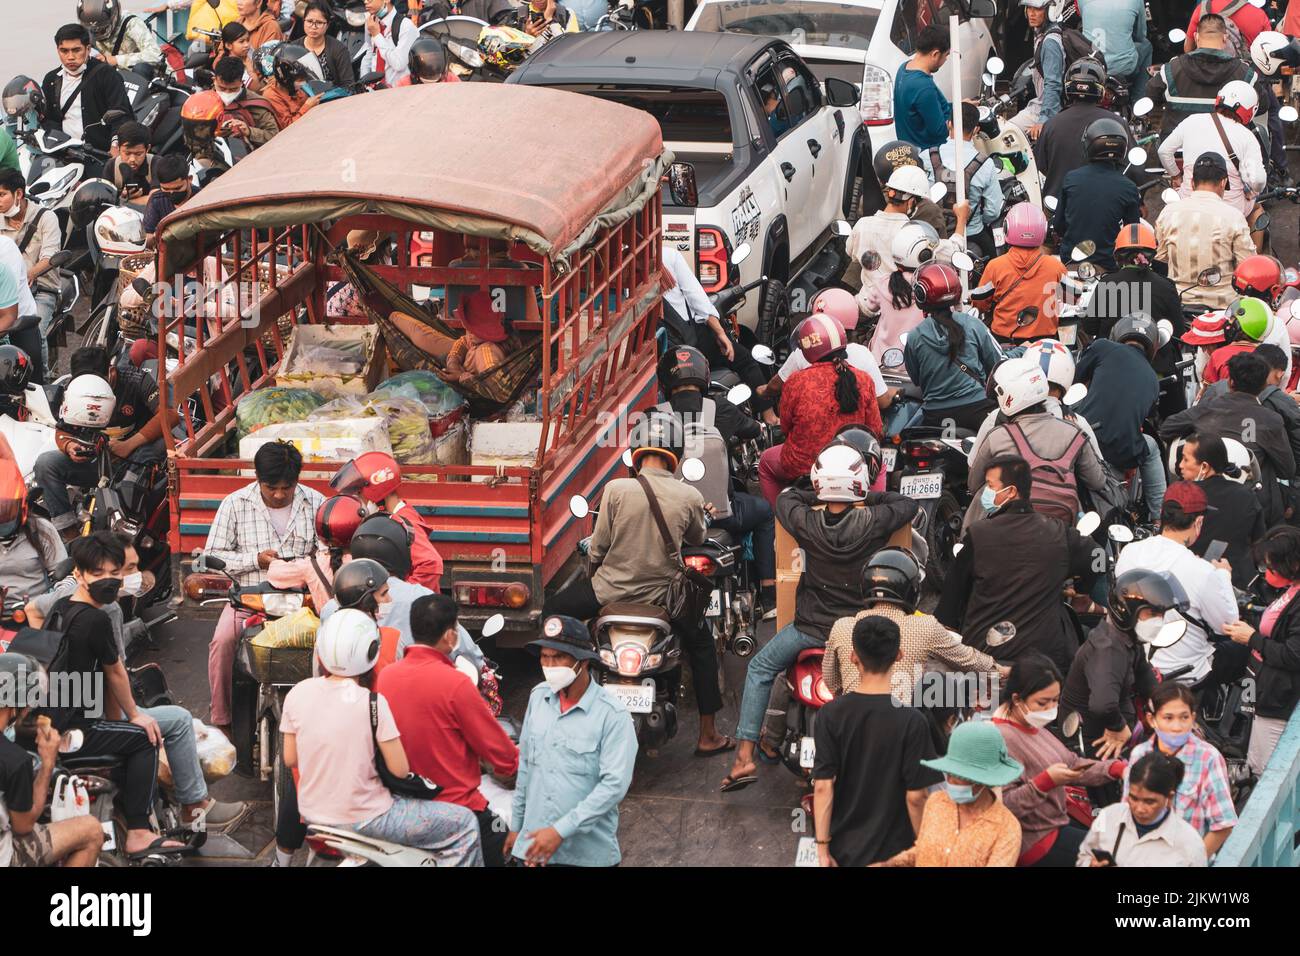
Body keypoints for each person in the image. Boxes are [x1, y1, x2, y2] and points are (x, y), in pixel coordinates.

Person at [722, 442, 918, 791]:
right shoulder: (874, 522)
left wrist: (813, 493)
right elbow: (905, 504)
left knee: (760, 668)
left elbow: (786, 498)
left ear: (817, 481)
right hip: (859, 631)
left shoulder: (805, 521)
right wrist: (866, 498)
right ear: (859, 482)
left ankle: (744, 755)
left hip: (808, 629)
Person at [543, 412, 732, 757]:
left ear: (637, 451)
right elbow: (697, 536)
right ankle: (708, 734)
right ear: (674, 453)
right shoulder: (688, 495)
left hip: (608, 591)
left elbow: (597, 549)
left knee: (553, 613)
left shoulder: (616, 489)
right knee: (702, 646)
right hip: (663, 599)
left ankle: (557, 701)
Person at [280, 609, 483, 866]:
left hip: (313, 814)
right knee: (465, 823)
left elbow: (290, 758)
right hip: (366, 818)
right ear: (371, 651)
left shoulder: (299, 692)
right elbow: (400, 770)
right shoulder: (372, 703)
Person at [42, 533, 191, 857]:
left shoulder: (59, 608)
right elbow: (115, 672)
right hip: (75, 727)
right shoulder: (96, 617)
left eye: (113, 573)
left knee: (126, 732)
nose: (107, 581)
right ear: (79, 575)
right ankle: (139, 831)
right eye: (97, 573)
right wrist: (135, 716)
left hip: (51, 721)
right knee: (143, 738)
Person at [376, 594, 518, 866]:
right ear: (450, 636)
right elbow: (501, 755)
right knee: (504, 845)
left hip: (401, 805)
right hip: (457, 806)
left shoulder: (387, 677)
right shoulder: (456, 684)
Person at [203, 442, 324, 734]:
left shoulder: (317, 502)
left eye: (288, 487)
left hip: (304, 605)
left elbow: (329, 553)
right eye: (272, 487)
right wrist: (255, 560)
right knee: (222, 643)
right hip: (249, 602)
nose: (280, 494)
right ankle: (222, 720)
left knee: (332, 646)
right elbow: (212, 554)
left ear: (297, 480)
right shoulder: (235, 503)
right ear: (257, 478)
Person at [939, 455, 1098, 673]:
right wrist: (1081, 589)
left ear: (1011, 491)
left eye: (991, 486)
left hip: (985, 656)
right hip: (1047, 657)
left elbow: (952, 596)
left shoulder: (979, 535)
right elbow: (1098, 557)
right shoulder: (1059, 533)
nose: (986, 492)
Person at [810, 615, 942, 867]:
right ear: (899, 655)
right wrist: (923, 850)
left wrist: (822, 849)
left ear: (853, 657)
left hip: (843, 852)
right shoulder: (912, 722)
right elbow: (916, 797)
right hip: (894, 853)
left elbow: (823, 786)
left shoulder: (830, 714)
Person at [506, 615, 637, 867]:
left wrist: (559, 831)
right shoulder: (538, 698)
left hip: (587, 857)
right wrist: (517, 827)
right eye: (545, 657)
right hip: (534, 851)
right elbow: (525, 768)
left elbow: (614, 786)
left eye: (559, 657)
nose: (550, 665)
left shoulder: (612, 715)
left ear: (583, 662)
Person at [658, 346, 776, 611]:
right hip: (724, 513)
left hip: (670, 518)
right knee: (765, 512)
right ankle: (769, 593)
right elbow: (752, 429)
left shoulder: (655, 415)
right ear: (703, 373)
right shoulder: (720, 407)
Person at [994, 655, 1126, 867]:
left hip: (1057, 826)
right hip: (1035, 840)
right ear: (1018, 700)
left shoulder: (1034, 727)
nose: (1050, 708)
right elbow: (1005, 804)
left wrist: (1116, 768)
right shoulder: (1001, 737)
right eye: (1043, 702)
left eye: (1055, 700)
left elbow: (1072, 763)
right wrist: (1046, 781)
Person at [824, 549, 1002, 702]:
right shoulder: (925, 627)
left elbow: (832, 683)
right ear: (912, 589)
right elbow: (969, 660)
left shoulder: (841, 627)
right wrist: (999, 669)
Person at [1114, 482, 1240, 689]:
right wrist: (1224, 576)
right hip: (1182, 674)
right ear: (1198, 522)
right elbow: (1227, 624)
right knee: (1238, 649)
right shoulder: (1202, 571)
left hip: (1133, 664)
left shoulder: (1130, 551)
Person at [34, 346, 168, 538]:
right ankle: (71, 535)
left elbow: (169, 415)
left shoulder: (136, 380)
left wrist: (128, 445)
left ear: (111, 371)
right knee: (46, 464)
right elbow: (62, 430)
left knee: (157, 447)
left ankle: (128, 528)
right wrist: (70, 446)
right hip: (98, 461)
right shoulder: (75, 389)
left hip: (136, 461)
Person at [1061, 569, 1186, 761]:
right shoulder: (1108, 649)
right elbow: (1102, 706)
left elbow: (1145, 675)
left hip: (1116, 730)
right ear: (1127, 611)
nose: (1157, 621)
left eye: (1160, 614)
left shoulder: (1127, 638)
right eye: (1150, 613)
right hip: (1096, 743)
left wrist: (1167, 703)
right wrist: (1118, 728)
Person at [965, 358, 1107, 526]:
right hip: (1062, 531)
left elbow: (974, 485)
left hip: (1004, 530)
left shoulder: (997, 436)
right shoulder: (1074, 431)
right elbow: (1097, 481)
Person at [758, 314, 881, 504]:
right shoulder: (864, 379)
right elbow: (874, 430)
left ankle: (780, 521)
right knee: (879, 464)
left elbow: (785, 427)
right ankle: (873, 512)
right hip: (853, 465)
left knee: (765, 463)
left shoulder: (796, 381)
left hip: (803, 465)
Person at [1162, 352, 1296, 526]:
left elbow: (1167, 428)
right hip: (1254, 504)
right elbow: (1287, 469)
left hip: (1204, 495)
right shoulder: (1271, 420)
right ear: (1264, 385)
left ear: (1230, 382)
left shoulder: (1207, 408)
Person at [0, 653, 104, 867]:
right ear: (16, 706)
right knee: (92, 831)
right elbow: (23, 826)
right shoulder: (13, 761)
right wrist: (48, 762)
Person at [875, 720, 1024, 867]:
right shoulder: (937, 802)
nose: (950, 780)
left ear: (981, 782)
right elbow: (923, 850)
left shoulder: (1006, 830)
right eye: (949, 773)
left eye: (959, 778)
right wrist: (888, 864)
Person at [1221, 525, 1300, 776]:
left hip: (1280, 699)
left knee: (1266, 771)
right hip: (1266, 689)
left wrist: (1252, 638)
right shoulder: (1291, 591)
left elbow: (1292, 655)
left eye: (1271, 566)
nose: (1267, 573)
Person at [1126, 683, 1237, 858]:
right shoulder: (1139, 755)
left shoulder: (1208, 758)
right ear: (1152, 719)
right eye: (1168, 718)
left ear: (1193, 718)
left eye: (1184, 717)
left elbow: (1223, 824)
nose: (1177, 727)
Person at [1074, 314, 1166, 520]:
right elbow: (1143, 416)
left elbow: (1075, 378)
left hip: (1084, 439)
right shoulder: (1153, 379)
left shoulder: (1103, 347)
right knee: (1151, 445)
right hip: (1122, 452)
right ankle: (1159, 517)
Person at [660, 242, 769, 410]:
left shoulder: (621, 270)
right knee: (745, 361)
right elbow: (698, 299)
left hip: (662, 352)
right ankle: (770, 417)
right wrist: (721, 333)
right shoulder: (668, 256)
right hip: (692, 341)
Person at [904, 261, 1005, 431]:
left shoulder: (914, 336)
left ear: (921, 295)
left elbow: (916, 379)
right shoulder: (973, 324)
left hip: (934, 416)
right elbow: (997, 364)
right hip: (977, 411)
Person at [1159, 81, 1267, 240]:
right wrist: (1252, 193)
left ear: (1219, 99)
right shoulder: (1247, 137)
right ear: (1251, 110)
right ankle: (1252, 261)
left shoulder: (1192, 121)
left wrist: (1176, 176)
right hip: (1231, 208)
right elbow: (1257, 180)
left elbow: (1164, 151)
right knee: (1258, 211)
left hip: (1188, 201)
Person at [330, 452, 445, 592]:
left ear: (375, 491)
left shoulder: (401, 521)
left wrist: (401, 595)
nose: (358, 498)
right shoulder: (393, 517)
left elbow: (431, 564)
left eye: (359, 493)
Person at [1155, 153, 1256, 310]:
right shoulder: (1233, 216)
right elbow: (1248, 266)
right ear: (1223, 182)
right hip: (1223, 309)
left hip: (1178, 305)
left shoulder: (1169, 212)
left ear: (1192, 182)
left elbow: (1160, 260)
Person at [847, 162, 966, 291]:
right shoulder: (915, 235)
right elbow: (954, 252)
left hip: (868, 300)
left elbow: (850, 252)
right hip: (902, 303)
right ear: (911, 202)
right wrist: (961, 219)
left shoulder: (862, 225)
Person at [1078, 751, 1208, 866]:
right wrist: (1090, 864)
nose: (1139, 809)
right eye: (1133, 798)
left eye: (1149, 802)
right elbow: (1084, 856)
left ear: (1169, 797)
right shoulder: (1108, 817)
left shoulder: (1190, 844)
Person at [1036, 58, 1138, 199]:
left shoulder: (1050, 125)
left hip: (1057, 207)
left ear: (1068, 88)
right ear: (1101, 90)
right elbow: (1132, 169)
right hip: (1104, 206)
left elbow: (1041, 166)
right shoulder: (1117, 122)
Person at [1052, 116, 1141, 271]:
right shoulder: (1129, 187)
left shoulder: (1071, 178)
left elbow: (1059, 226)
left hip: (1071, 263)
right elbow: (1133, 235)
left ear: (1089, 144)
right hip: (1108, 266)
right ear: (1123, 148)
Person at [1178, 432, 1265, 588]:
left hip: (1188, 583)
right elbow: (1259, 543)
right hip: (1236, 583)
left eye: (1185, 459)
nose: (1180, 465)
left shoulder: (1181, 494)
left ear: (1204, 466)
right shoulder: (1247, 496)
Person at [1148, 13, 1257, 136]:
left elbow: (1150, 94)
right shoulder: (1244, 72)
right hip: (1228, 147)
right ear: (1225, 38)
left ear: (1196, 37)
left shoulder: (1171, 69)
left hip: (1179, 146)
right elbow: (1262, 105)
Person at [972, 202, 1067, 341]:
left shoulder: (995, 266)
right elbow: (1073, 296)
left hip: (1004, 342)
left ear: (1006, 228)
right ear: (1044, 230)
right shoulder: (1056, 266)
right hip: (1044, 343)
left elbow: (979, 303)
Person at [919, 101, 1004, 255]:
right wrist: (978, 219)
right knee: (994, 262)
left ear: (949, 124)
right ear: (976, 129)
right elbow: (993, 211)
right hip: (971, 233)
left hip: (932, 231)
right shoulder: (986, 164)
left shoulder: (927, 157)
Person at [1083, 223, 1182, 354]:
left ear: (1118, 256)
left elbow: (1090, 327)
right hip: (1156, 369)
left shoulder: (1107, 283)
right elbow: (1178, 331)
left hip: (1111, 361)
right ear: (1151, 255)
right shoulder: (1166, 286)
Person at [0, 169, 61, 376]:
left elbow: (50, 256)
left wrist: (29, 274)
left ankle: (41, 380)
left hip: (42, 288)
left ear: (18, 194)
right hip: (9, 290)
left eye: (1, 195)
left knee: (37, 331)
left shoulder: (46, 217)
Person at [41, 23, 132, 153]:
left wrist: (115, 146)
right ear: (58, 50)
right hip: (64, 152)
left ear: (88, 49)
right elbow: (49, 118)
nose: (70, 57)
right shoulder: (50, 80)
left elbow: (121, 114)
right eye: (64, 51)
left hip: (100, 153)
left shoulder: (107, 75)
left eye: (76, 50)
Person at [857, 223, 929, 379]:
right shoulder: (932, 287)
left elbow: (868, 307)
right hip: (917, 366)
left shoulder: (883, 283)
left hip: (881, 363)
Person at [0, 457, 66, 606]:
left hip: (36, 616)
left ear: (22, 505)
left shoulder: (41, 528)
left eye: (7, 509)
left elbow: (64, 576)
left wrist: (47, 604)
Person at [439, 290, 511, 402]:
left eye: (472, 330)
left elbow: (496, 387)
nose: (468, 333)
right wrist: (453, 364)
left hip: (484, 401)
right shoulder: (473, 340)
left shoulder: (486, 351)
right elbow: (461, 343)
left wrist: (461, 376)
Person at [1011, 0, 1066, 138]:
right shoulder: (1041, 35)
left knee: (1006, 132)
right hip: (1039, 105)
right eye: (1029, 8)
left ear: (1051, 10)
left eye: (1037, 9)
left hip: (1044, 110)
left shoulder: (1050, 42)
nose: (1031, 13)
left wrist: (1044, 119)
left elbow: (1053, 84)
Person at [892, 25, 952, 150]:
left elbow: (932, 106)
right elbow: (939, 131)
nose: (946, 59)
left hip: (909, 149)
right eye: (946, 55)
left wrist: (959, 105)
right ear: (935, 54)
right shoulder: (923, 87)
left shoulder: (904, 68)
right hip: (929, 155)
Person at [1080, 0, 1152, 99]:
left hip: (1090, 64)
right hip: (1122, 68)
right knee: (1147, 46)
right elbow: (1140, 36)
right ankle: (1137, 102)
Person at [211, 56, 281, 148]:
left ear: (241, 82)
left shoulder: (257, 104)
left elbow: (274, 134)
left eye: (233, 89)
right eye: (222, 88)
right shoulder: (204, 102)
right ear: (214, 80)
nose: (226, 93)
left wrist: (249, 131)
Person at [79, 0, 163, 72]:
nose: (97, 32)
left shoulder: (131, 23)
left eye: (102, 28)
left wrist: (115, 60)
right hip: (116, 78)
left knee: (141, 68)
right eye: (93, 29)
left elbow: (155, 55)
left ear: (114, 16)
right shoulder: (89, 28)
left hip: (149, 77)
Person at [262, 44, 323, 129]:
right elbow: (287, 126)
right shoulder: (272, 95)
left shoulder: (295, 89)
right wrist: (307, 107)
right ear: (286, 79)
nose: (303, 83)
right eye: (300, 80)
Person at [100, 121, 158, 205]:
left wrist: (124, 201)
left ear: (147, 149)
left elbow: (157, 200)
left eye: (138, 154)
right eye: (127, 153)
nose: (132, 159)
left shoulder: (156, 164)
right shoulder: (111, 167)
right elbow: (104, 200)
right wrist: (122, 195)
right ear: (118, 148)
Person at [299, 1, 356, 87]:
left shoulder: (339, 49)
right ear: (304, 21)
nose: (313, 27)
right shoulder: (294, 48)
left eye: (319, 23)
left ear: (327, 25)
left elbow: (348, 84)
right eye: (309, 21)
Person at [362, 0, 417, 87]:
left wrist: (377, 35)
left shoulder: (405, 26)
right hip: (373, 92)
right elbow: (369, 52)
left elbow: (399, 64)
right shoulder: (370, 22)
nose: (365, 1)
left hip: (398, 92)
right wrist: (364, 83)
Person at [140, 153, 192, 241]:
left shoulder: (201, 196)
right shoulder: (157, 200)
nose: (171, 192)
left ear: (189, 180)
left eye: (177, 188)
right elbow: (147, 235)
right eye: (166, 189)